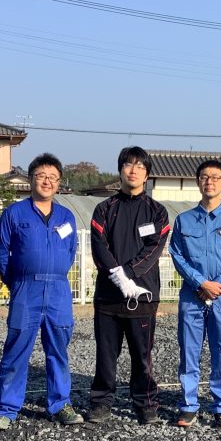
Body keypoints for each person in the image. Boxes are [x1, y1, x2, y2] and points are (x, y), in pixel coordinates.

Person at [0, 153, 81, 430]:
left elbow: (70, 251)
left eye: (53, 177)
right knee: (16, 349)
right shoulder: (14, 214)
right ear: (31, 180)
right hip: (25, 288)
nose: (47, 181)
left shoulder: (66, 216)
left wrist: (55, 271)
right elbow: (0, 252)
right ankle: (5, 409)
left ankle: (61, 404)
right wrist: (15, 281)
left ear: (59, 183)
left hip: (58, 290)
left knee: (58, 350)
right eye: (41, 176)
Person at [88, 146, 170, 425]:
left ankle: (145, 404)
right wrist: (117, 276)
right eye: (128, 164)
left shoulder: (157, 212)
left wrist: (129, 273)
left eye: (140, 166)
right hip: (108, 296)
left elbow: (154, 248)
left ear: (147, 174)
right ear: (120, 169)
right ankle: (101, 402)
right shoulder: (104, 208)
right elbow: (99, 247)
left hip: (143, 296)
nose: (133, 170)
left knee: (142, 355)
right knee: (106, 354)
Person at [169, 159, 221, 429]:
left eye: (215, 177)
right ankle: (188, 405)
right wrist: (200, 282)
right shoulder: (184, 220)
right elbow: (177, 255)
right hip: (192, 295)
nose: (210, 182)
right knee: (189, 350)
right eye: (205, 177)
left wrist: (219, 285)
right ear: (198, 182)